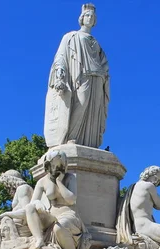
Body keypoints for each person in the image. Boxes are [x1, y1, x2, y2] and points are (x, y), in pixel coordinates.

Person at [0, 151, 86, 249]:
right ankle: (39, 239)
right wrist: (8, 214)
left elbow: (71, 199)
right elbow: (29, 206)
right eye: (53, 165)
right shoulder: (42, 182)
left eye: (59, 166)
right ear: (47, 166)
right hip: (51, 215)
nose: (55, 169)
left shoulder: (70, 178)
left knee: (59, 228)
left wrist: (59, 182)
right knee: (30, 208)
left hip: (68, 214)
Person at [43, 3, 110, 148]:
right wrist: (60, 73)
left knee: (94, 109)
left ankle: (90, 142)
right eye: (87, 15)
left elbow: (104, 61)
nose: (90, 18)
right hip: (81, 76)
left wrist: (104, 73)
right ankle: (72, 137)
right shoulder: (71, 36)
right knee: (81, 103)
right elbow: (61, 56)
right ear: (81, 18)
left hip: (98, 78)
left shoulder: (96, 42)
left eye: (93, 16)